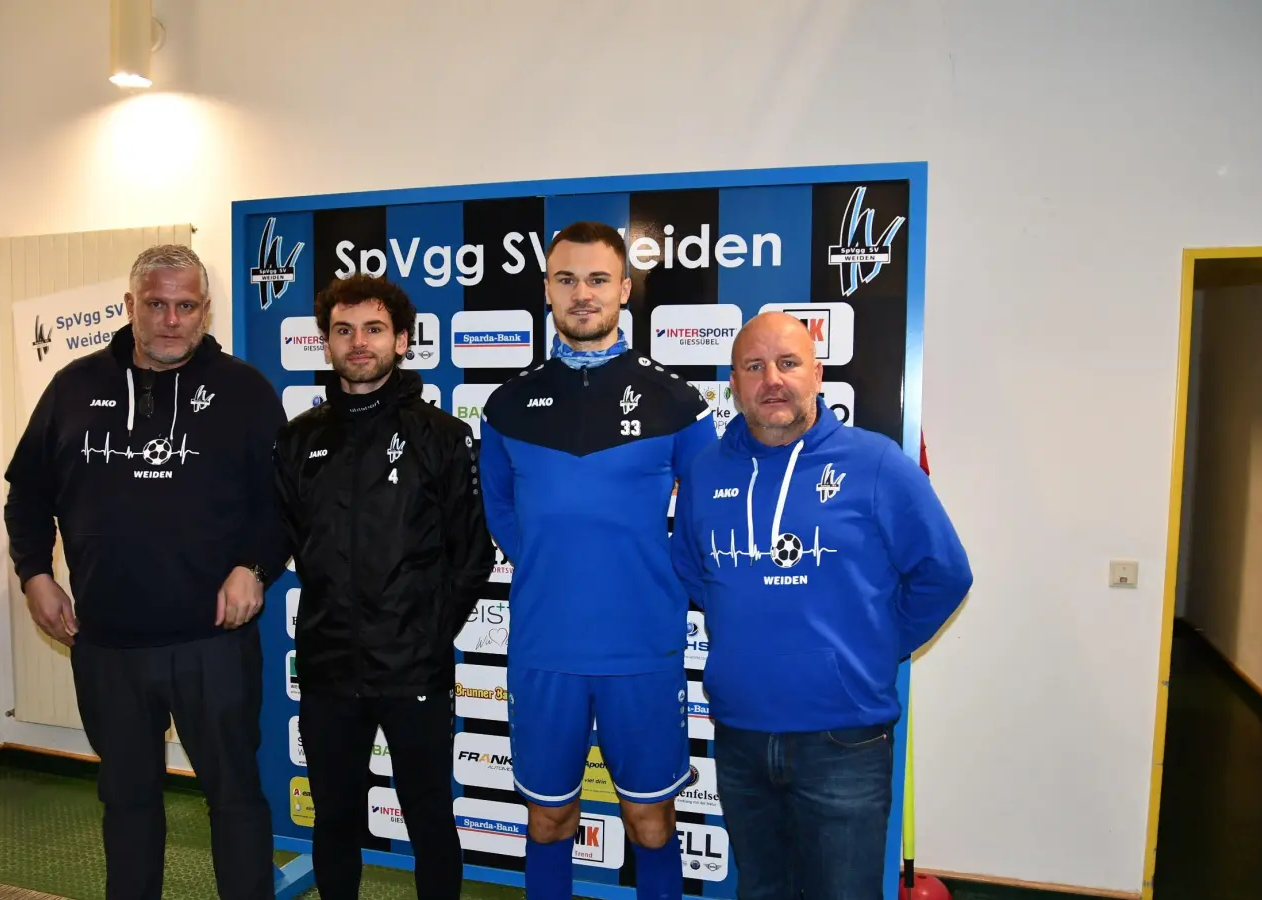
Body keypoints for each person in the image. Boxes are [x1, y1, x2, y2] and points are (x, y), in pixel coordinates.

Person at [3, 244, 286, 900]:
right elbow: (29, 492)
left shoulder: (244, 390)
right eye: (155, 304)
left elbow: (282, 501)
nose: (170, 319)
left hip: (210, 642)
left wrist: (255, 567)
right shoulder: (74, 386)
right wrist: (34, 574)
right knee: (127, 802)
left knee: (235, 799)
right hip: (107, 645)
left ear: (204, 311)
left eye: (185, 306)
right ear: (129, 306)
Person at [669, 312, 973, 900]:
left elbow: (945, 572)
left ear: (817, 374)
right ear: (734, 381)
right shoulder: (706, 473)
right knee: (761, 891)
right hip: (741, 736)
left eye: (788, 364)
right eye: (754, 367)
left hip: (845, 739)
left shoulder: (876, 463)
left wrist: (875, 644)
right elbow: (693, 568)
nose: (772, 380)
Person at [478, 221, 718, 900]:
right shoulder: (507, 405)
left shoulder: (678, 401)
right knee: (550, 817)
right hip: (544, 646)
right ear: (547, 289)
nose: (582, 293)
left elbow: (704, 516)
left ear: (624, 289)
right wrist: (559, 567)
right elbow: (500, 512)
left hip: (642, 648)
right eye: (566, 279)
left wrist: (640, 577)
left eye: (597, 279)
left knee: (650, 819)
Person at [273, 274, 493, 900]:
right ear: (327, 344)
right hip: (327, 667)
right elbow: (284, 539)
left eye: (373, 329)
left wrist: (424, 632)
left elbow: (471, 554)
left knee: (428, 816)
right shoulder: (298, 439)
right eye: (343, 330)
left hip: (413, 668)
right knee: (335, 818)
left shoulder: (443, 438)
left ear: (401, 340)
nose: (358, 342)